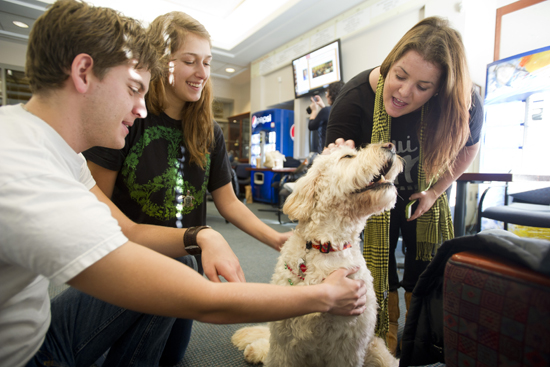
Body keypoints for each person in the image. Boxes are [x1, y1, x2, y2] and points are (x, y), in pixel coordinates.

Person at [0, 1, 369, 366]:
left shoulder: (59, 152)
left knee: (174, 301)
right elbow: (202, 299)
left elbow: (137, 226)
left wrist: (205, 235)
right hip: (28, 354)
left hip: (42, 325)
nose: (140, 108)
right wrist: (323, 296)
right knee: (173, 272)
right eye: (132, 89)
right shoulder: (23, 168)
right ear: (83, 73)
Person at [82, 10, 294, 364]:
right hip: (127, 256)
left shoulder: (209, 131)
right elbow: (96, 202)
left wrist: (275, 239)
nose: (202, 73)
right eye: (190, 61)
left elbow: (228, 202)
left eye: (207, 63)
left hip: (185, 259)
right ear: (161, 62)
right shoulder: (129, 116)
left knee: (171, 356)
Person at [325, 16, 483, 355]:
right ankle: (383, 339)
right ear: (390, 63)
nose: (403, 92)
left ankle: (420, 345)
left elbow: (470, 147)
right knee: (380, 276)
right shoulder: (354, 100)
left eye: (423, 87)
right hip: (371, 204)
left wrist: (435, 191)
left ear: (440, 89)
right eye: (400, 75)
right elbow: (335, 172)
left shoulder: (462, 102)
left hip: (422, 199)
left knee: (423, 273)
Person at [307, 81, 344, 153]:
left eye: (327, 93)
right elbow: (330, 115)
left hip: (326, 151)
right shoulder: (344, 110)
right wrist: (323, 106)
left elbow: (311, 126)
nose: (326, 96)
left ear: (331, 95)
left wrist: (314, 110)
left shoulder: (326, 111)